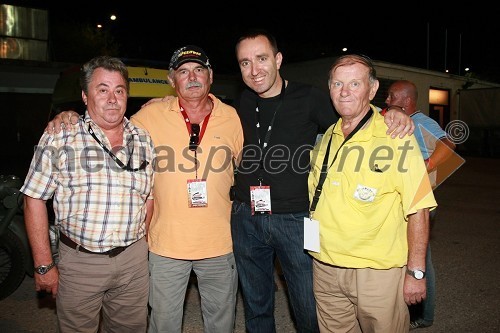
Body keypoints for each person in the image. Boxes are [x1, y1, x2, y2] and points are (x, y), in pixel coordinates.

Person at [47, 46, 244, 333]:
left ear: (210, 76)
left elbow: (242, 168)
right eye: (183, 72)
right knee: (162, 323)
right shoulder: (149, 116)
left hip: (220, 244)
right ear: (171, 80)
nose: (192, 77)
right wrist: (69, 116)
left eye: (199, 70)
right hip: (165, 246)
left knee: (222, 323)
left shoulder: (233, 118)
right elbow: (108, 122)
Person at [230, 30, 416, 333]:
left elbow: (355, 113)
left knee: (308, 307)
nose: (254, 70)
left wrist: (392, 112)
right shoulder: (241, 102)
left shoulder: (310, 97)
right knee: (255, 303)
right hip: (246, 217)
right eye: (245, 63)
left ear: (278, 59)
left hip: (295, 218)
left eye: (262, 59)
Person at [21, 55, 155, 332]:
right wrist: (43, 264)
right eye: (102, 89)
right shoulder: (60, 136)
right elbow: (33, 198)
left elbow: (148, 198)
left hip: (133, 262)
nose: (112, 98)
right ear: (85, 95)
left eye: (119, 90)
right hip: (80, 262)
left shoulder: (143, 139)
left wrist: (141, 247)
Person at [307, 54, 437, 332]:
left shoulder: (396, 135)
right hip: (325, 266)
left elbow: (419, 207)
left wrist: (416, 272)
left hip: (376, 272)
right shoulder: (328, 135)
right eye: (337, 84)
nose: (344, 92)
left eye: (355, 84)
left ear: (373, 89)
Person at [385, 79, 456, 330]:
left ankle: (424, 316)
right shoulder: (395, 120)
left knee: (421, 259)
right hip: (405, 200)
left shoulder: (421, 121)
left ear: (406, 100)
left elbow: (449, 143)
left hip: (419, 202)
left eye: (391, 96)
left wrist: (428, 166)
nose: (387, 100)